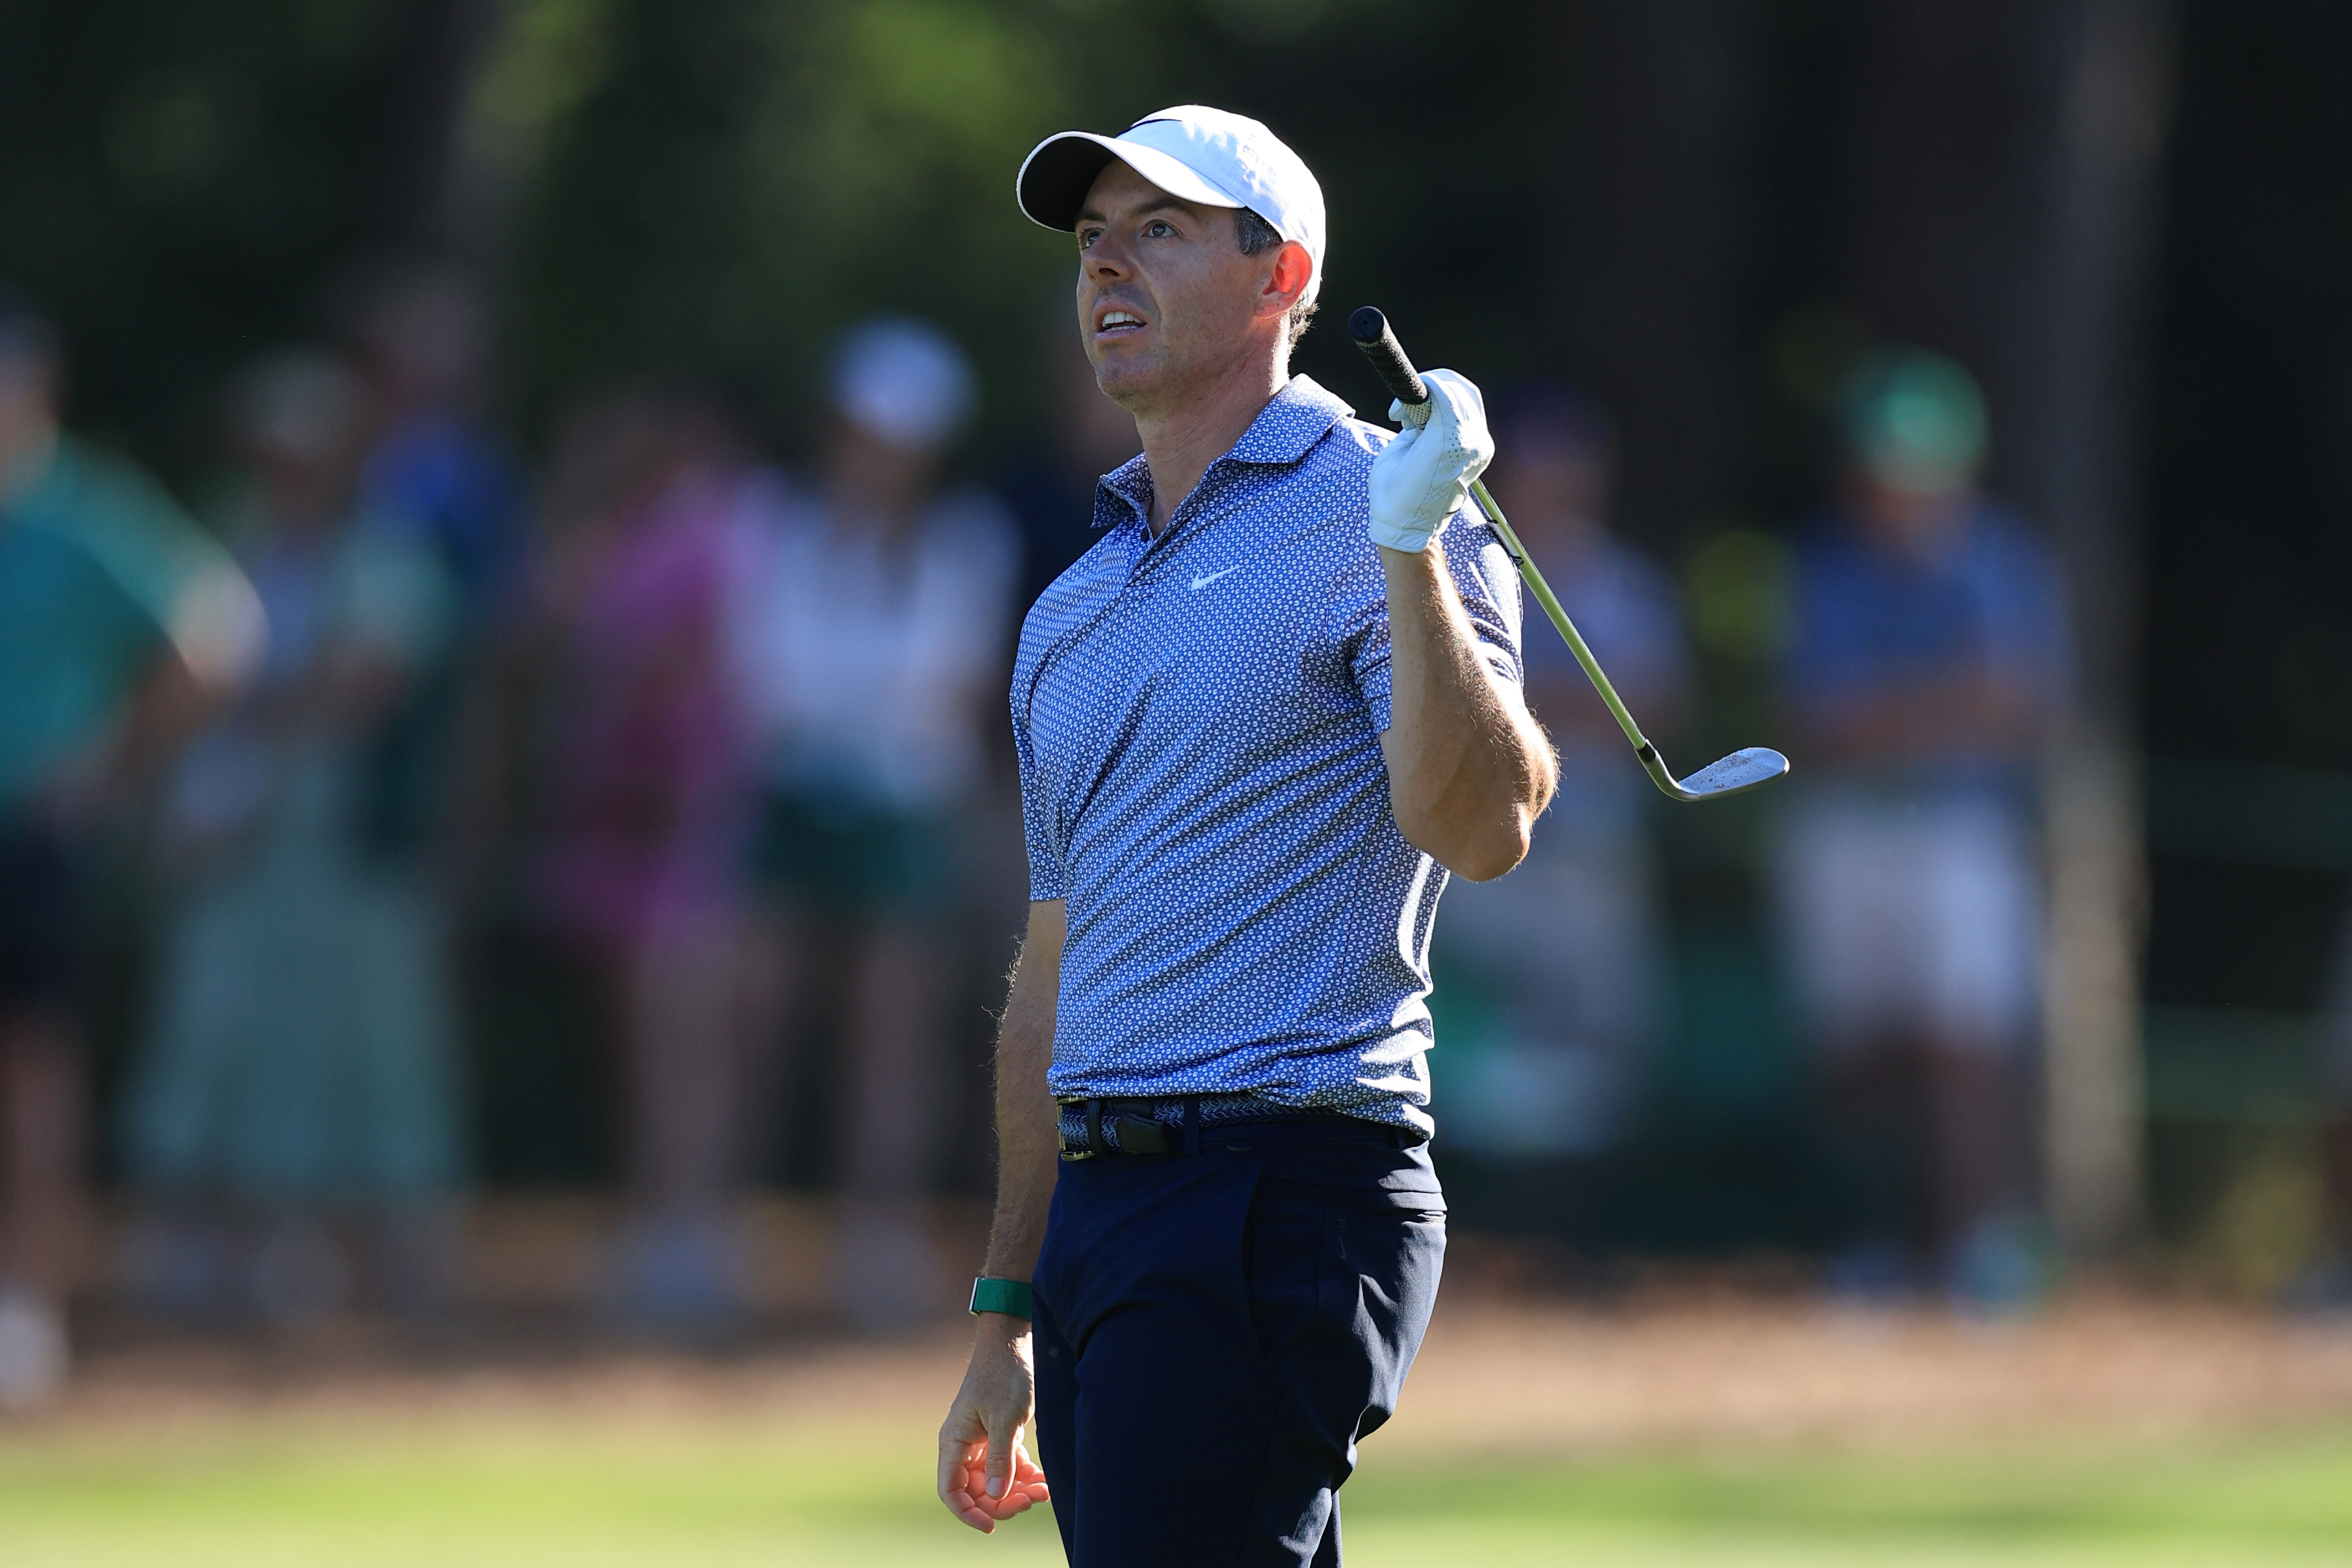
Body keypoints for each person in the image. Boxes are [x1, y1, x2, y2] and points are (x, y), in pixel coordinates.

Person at [935, 107, 1556, 1564]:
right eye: (1092, 239)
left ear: (1279, 280)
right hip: (1104, 1213)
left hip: (1280, 1182)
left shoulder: (1386, 507)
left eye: (1158, 231)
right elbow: (1053, 966)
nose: (1105, 270)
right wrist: (1004, 1309)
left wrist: (1408, 546)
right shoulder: (1071, 606)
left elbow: (1483, 823)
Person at [120, 350, 464, 1324]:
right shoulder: (222, 537)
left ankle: (369, 1251)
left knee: (367, 1043)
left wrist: (242, 708)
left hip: (349, 843)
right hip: (228, 838)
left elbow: (365, 683)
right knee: (214, 1021)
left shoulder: (388, 554)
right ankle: (213, 1239)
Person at [724, 317, 1020, 1333]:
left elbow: (941, 692)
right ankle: (727, 1234)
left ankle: (875, 1237)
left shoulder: (962, 543)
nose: (872, 455)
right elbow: (767, 677)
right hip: (793, 795)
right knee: (755, 1020)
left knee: (889, 1034)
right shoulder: (772, 522)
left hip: (902, 806)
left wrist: (856, 712)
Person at [0, 290, 261, 1402]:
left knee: (33, 1076)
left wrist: (111, 761)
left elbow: (216, 632)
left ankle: (23, 1309)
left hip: (26, 839)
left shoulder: (84, 511)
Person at [1771, 348, 2072, 1311]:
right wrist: (1947, 704)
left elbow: (2023, 707)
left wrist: (1886, 716)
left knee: (1965, 1045)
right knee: (1859, 1051)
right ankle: (1878, 1249)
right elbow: (1818, 721)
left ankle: (1977, 1248)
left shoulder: (2005, 561)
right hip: (1846, 831)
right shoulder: (1825, 564)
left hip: (1961, 829)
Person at [531, 387, 772, 1333]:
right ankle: (652, 1219)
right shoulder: (614, 534)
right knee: (632, 1035)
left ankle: (695, 1228)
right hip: (614, 816)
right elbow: (547, 622)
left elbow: (696, 661)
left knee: (683, 1031)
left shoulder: (723, 526)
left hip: (684, 815)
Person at [1429, 386, 1688, 1160]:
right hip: (1471, 855)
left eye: (1568, 468)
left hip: (1591, 851)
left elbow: (1658, 707)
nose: (1555, 485)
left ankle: (1572, 1227)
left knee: (1600, 1044)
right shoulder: (1454, 563)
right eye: (1539, 468)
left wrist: (1515, 705)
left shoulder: (1627, 585)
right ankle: (1477, 1214)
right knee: (1472, 1038)